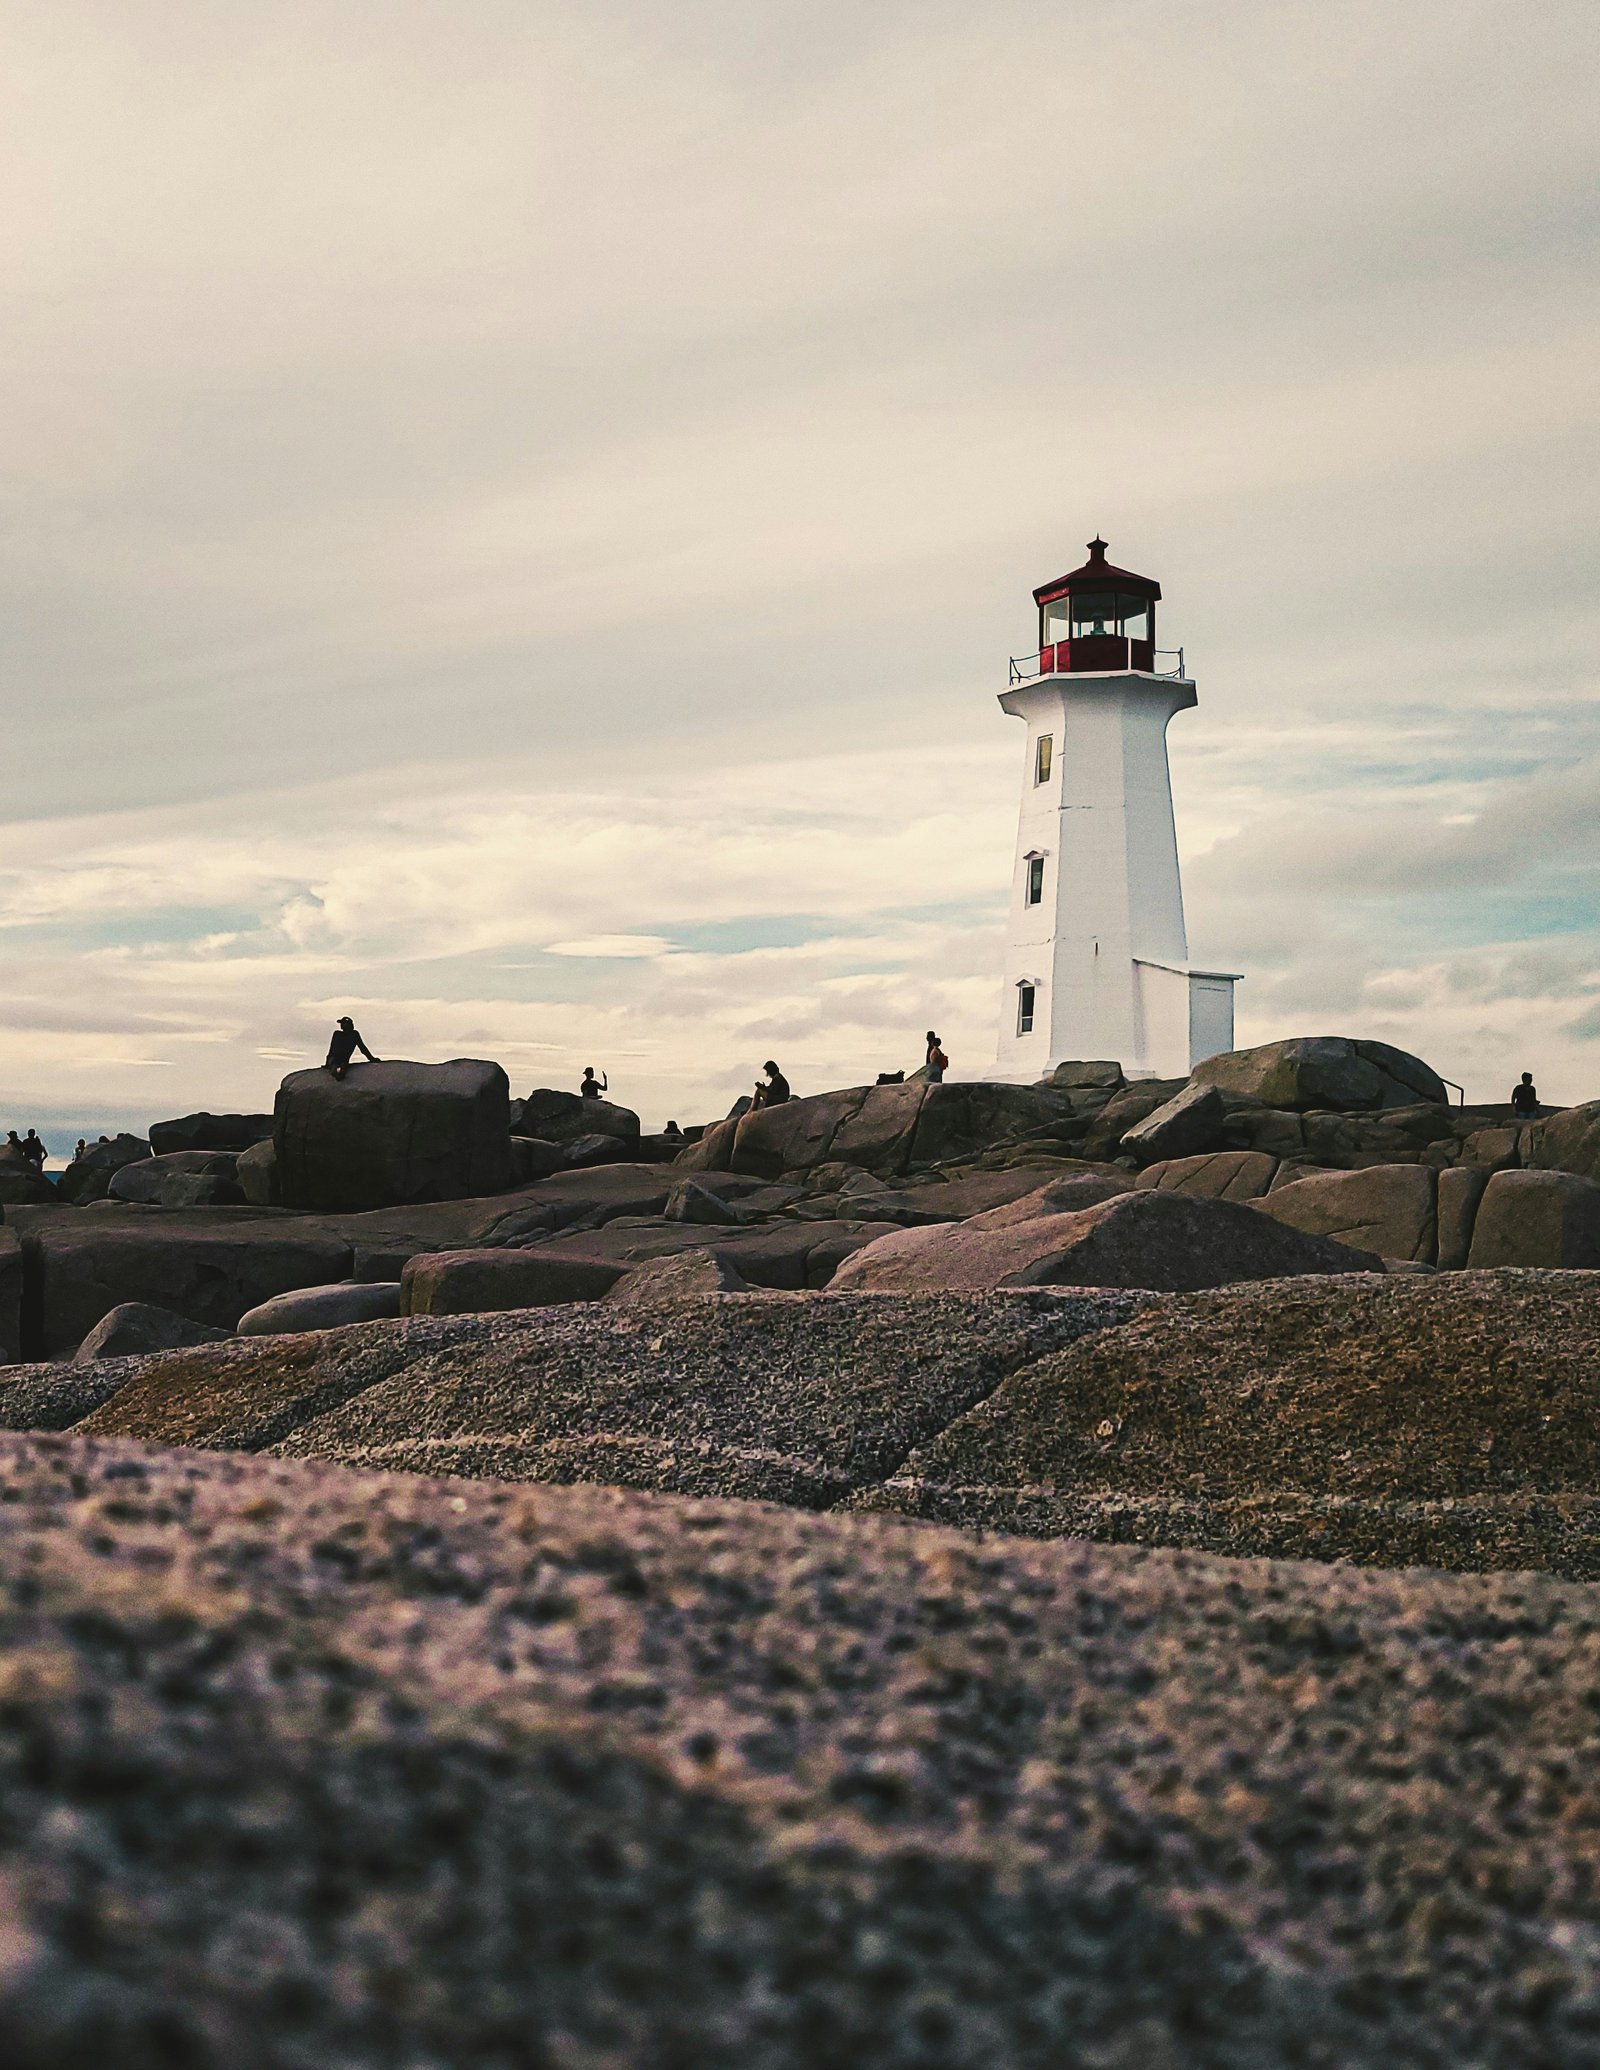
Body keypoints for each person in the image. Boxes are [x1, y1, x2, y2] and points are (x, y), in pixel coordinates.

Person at [325, 1016, 379, 1081]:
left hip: (340, 1060)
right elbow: (332, 1049)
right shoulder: (339, 1034)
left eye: (343, 1023)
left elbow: (362, 1048)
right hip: (337, 1060)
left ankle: (337, 1072)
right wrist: (371, 1059)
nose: (341, 1025)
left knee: (338, 1071)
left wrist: (371, 1059)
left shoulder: (353, 1034)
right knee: (337, 1069)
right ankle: (336, 1071)